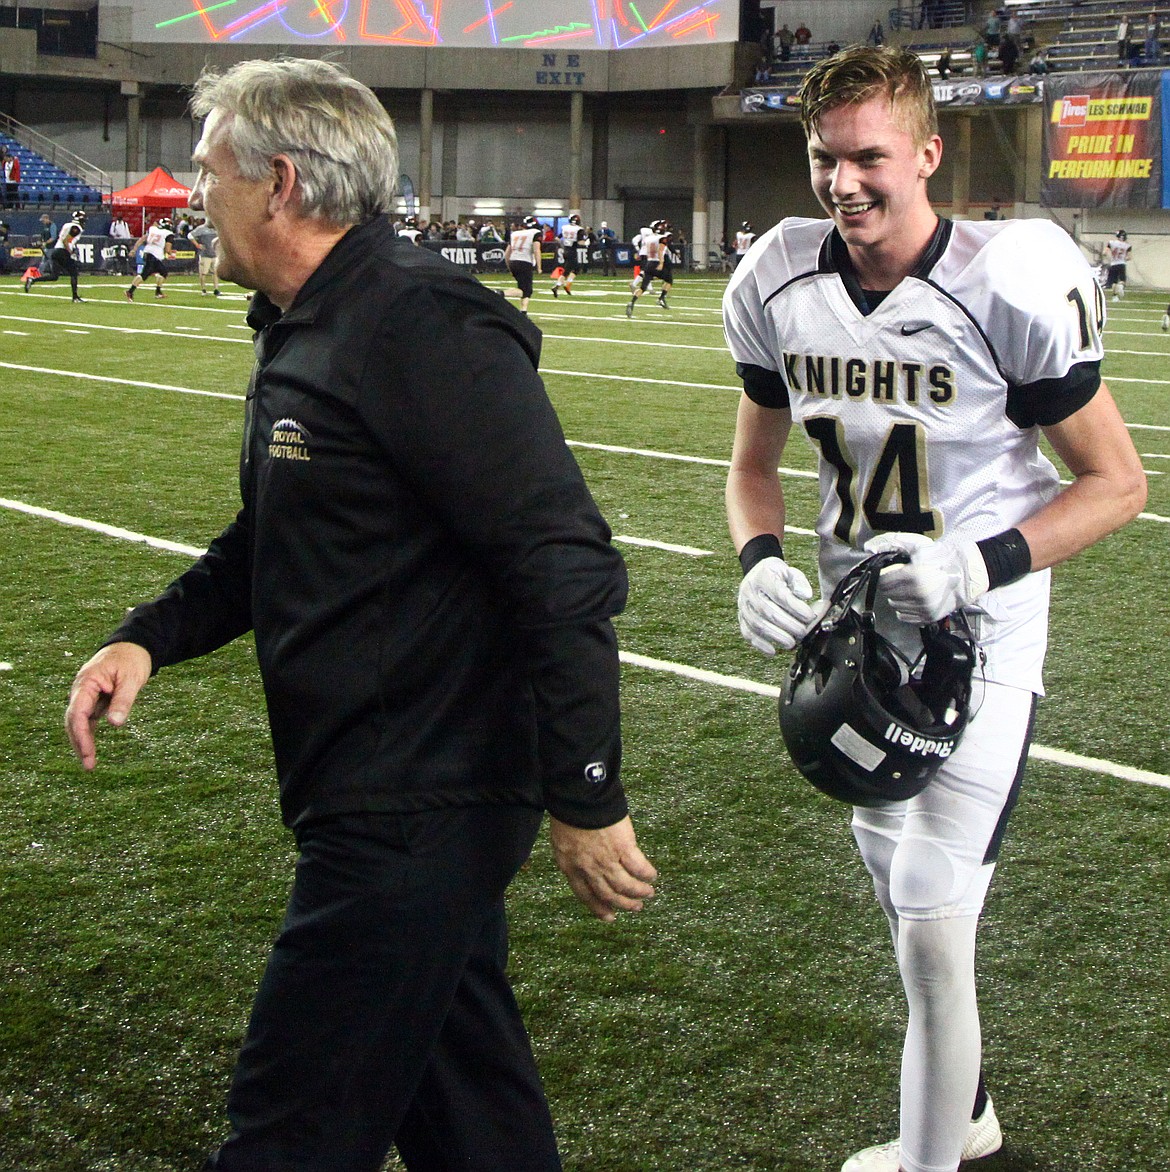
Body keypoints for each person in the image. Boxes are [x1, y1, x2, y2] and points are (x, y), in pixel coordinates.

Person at [65, 57, 656, 1172]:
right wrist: (151, 630)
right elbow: (277, 536)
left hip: (418, 800)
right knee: (473, 1115)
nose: (194, 193)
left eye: (207, 171)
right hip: (375, 783)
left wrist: (587, 791)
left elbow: (564, 563)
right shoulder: (308, 319)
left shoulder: (419, 326)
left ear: (279, 181)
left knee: (291, 1128)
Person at [722, 45, 1146, 1172]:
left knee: (927, 900)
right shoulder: (776, 276)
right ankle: (964, 1114)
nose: (846, 181)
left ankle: (932, 1162)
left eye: (870, 156)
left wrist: (982, 561)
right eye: (826, 157)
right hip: (862, 636)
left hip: (982, 634)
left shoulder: (1004, 279)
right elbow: (753, 466)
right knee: (894, 883)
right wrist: (758, 558)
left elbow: (1119, 483)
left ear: (927, 150)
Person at [26, 209, 87, 301]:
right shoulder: (76, 228)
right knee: (74, 273)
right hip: (63, 251)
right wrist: (71, 252)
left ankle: (32, 280)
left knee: (54, 276)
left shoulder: (67, 225)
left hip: (56, 251)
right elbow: (65, 241)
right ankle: (75, 297)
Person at [126, 215, 176, 299]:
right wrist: (172, 253)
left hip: (147, 253)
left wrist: (134, 249)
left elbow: (141, 239)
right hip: (155, 256)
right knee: (144, 275)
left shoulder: (153, 229)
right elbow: (168, 249)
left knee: (163, 272)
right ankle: (130, 291)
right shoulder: (168, 234)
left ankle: (158, 292)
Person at [504, 213, 541, 313]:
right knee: (525, 291)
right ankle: (500, 293)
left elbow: (507, 253)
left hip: (513, 262)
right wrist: (539, 267)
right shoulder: (535, 233)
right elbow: (537, 250)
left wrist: (509, 267)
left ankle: (523, 311)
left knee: (524, 288)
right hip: (525, 262)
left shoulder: (515, 234)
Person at [625, 219, 662, 316]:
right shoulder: (651, 233)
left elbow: (635, 240)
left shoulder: (644, 232)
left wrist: (638, 250)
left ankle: (648, 288)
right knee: (647, 271)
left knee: (646, 271)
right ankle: (635, 284)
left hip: (644, 253)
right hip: (648, 254)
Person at [552, 212, 584, 297]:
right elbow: (580, 242)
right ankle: (560, 286)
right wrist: (586, 243)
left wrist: (563, 244)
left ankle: (565, 285)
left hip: (566, 250)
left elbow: (557, 238)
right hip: (572, 251)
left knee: (574, 268)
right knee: (569, 271)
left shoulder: (564, 227)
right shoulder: (579, 229)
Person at [189, 217, 221, 295]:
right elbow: (190, 235)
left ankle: (216, 289)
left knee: (215, 273)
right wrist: (197, 244)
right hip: (205, 254)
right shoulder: (201, 229)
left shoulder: (216, 228)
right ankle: (203, 289)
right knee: (204, 272)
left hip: (214, 254)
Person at [1103, 228, 1132, 300]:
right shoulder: (1127, 245)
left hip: (1113, 264)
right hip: (1122, 264)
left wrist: (1109, 257)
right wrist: (1124, 258)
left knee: (1113, 282)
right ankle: (1121, 287)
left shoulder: (1111, 242)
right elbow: (1129, 257)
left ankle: (1115, 296)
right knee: (1122, 281)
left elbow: (1104, 253)